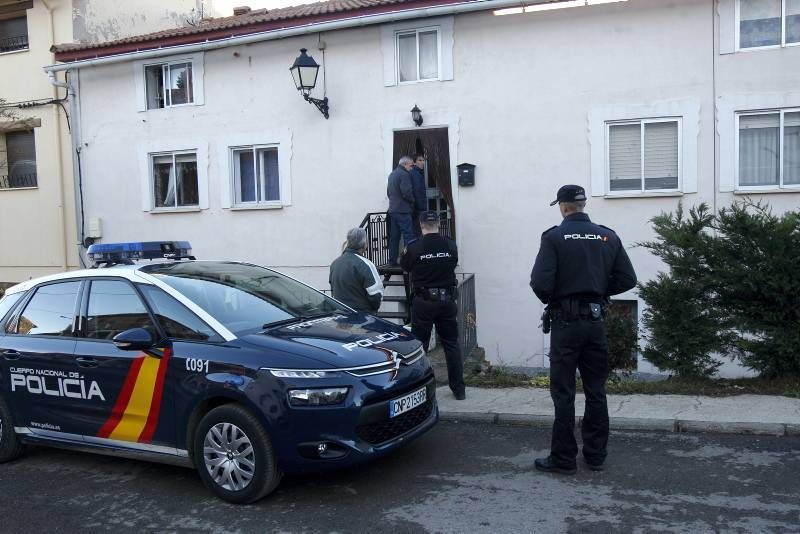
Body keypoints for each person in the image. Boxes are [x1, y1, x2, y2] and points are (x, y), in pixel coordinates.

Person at [529, 184, 637, 474]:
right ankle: (595, 455)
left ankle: (563, 459)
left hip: (566, 324)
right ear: (583, 205)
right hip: (595, 323)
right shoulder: (607, 236)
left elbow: (540, 282)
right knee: (596, 390)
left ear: (563, 206)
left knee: (564, 393)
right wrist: (600, 290)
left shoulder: (554, 237)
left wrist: (559, 297)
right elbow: (628, 279)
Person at [401, 210, 465, 400]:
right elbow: (453, 262)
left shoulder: (413, 247)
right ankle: (459, 390)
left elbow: (405, 266)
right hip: (446, 301)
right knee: (451, 344)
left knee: (420, 347)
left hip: (424, 303)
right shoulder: (450, 244)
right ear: (438, 224)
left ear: (421, 225)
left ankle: (420, 390)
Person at [329, 228, 384, 313]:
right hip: (362, 318)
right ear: (365, 244)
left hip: (341, 315)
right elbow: (376, 295)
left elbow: (333, 288)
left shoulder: (335, 263)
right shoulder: (366, 264)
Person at [386, 156, 416, 267]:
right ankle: (408, 261)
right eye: (411, 165)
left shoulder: (392, 174)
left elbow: (388, 192)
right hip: (403, 210)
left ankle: (392, 261)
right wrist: (413, 201)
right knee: (408, 236)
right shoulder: (404, 174)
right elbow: (406, 192)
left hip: (393, 210)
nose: (412, 168)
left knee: (394, 237)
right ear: (405, 164)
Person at [410, 154, 428, 237]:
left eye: (423, 160)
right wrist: (422, 208)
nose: (422, 162)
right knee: (418, 232)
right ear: (414, 162)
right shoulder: (415, 173)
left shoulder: (418, 173)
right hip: (418, 210)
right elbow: (417, 192)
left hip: (417, 209)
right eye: (420, 160)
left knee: (418, 232)